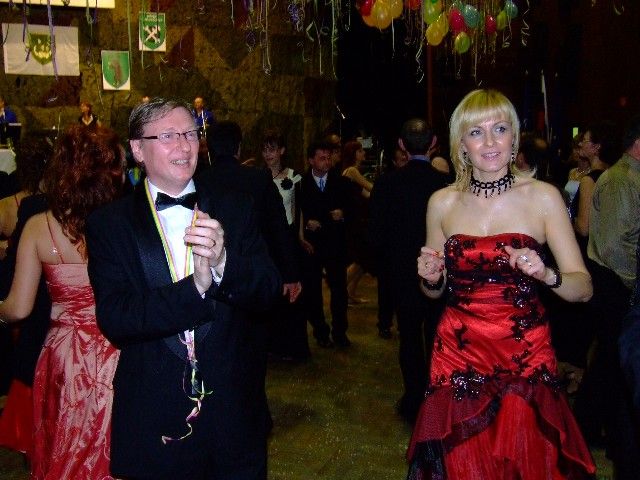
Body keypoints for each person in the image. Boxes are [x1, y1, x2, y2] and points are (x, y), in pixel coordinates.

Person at [85, 97, 281, 479]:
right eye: (168, 136)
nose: (185, 145)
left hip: (234, 416)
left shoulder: (236, 206)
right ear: (137, 149)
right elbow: (117, 318)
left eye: (191, 134)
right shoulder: (110, 224)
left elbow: (269, 290)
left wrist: (224, 265)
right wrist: (196, 289)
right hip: (155, 420)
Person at [407, 89, 596, 479]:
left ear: (514, 138)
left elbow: (583, 288)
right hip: (457, 354)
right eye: (477, 132)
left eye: (500, 129)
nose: (490, 142)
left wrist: (546, 274)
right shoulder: (441, 203)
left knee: (523, 460)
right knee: (461, 463)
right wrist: (431, 277)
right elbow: (434, 291)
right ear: (461, 143)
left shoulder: (543, 198)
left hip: (524, 356)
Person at [0, 125, 125, 478]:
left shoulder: (39, 226)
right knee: (110, 447)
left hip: (65, 355)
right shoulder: (123, 222)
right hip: (116, 346)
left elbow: (19, 307)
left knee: (65, 447)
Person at [368, 119, 449, 422]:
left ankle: (414, 399)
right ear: (434, 144)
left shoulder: (386, 184)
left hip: (402, 274)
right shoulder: (446, 185)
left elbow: (375, 235)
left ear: (401, 145)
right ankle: (437, 397)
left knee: (410, 337)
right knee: (438, 336)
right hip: (440, 273)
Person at [576, 113, 640, 479]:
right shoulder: (620, 179)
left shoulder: (626, 177)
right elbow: (615, 246)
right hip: (615, 283)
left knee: (613, 365)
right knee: (613, 365)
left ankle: (601, 432)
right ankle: (592, 431)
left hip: (618, 283)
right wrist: (633, 285)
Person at [259, 128, 309, 360]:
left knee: (291, 291)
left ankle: (291, 347)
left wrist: (300, 237)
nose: (268, 154)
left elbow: (299, 211)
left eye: (272, 149)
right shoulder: (258, 177)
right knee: (271, 290)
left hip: (288, 239)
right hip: (266, 241)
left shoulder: (294, 177)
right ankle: (270, 345)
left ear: (282, 151)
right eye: (265, 150)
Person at [299, 140, 352, 348]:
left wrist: (343, 213)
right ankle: (320, 331)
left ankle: (340, 332)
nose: (327, 162)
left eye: (329, 158)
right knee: (312, 290)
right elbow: (296, 211)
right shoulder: (301, 184)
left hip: (334, 243)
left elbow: (352, 208)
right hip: (311, 245)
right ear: (311, 160)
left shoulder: (341, 182)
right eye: (322, 158)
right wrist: (306, 225)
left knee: (339, 289)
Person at [340, 140, 373, 305]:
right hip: (352, 221)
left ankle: (349, 294)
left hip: (356, 220)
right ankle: (340, 290)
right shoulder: (352, 171)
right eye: (360, 151)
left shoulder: (353, 172)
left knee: (363, 260)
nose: (363, 153)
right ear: (353, 154)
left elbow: (368, 194)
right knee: (360, 258)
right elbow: (370, 188)